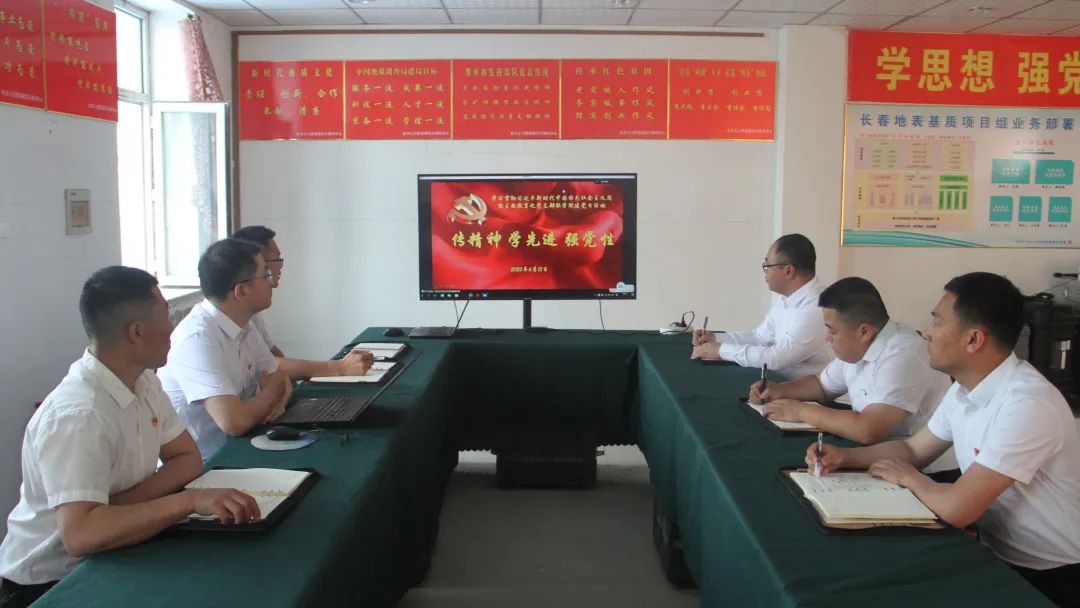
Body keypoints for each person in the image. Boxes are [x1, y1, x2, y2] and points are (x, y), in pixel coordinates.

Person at [806, 273, 1080, 607]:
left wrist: (910, 477)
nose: (926, 332)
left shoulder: (1026, 404)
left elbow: (957, 508)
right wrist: (844, 457)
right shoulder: (964, 390)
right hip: (997, 550)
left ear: (974, 339)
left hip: (1053, 574)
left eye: (937, 322)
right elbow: (912, 449)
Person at [0, 267, 259, 608]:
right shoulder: (79, 414)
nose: (172, 328)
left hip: (115, 547)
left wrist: (117, 509)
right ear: (137, 332)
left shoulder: (143, 380)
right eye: (166, 316)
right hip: (50, 584)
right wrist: (187, 502)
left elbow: (186, 458)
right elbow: (80, 536)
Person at [751, 277, 951, 451]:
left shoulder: (904, 354)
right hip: (881, 453)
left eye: (832, 330)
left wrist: (801, 411)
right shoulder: (857, 347)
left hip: (925, 468)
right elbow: (821, 386)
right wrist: (779, 390)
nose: (827, 337)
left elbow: (868, 429)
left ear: (864, 332)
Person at [158, 238, 294, 460]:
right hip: (207, 464)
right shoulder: (197, 339)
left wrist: (274, 399)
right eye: (265, 276)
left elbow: (280, 377)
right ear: (241, 291)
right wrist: (271, 395)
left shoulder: (243, 324)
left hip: (244, 443)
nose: (272, 283)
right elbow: (235, 422)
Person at [231, 225, 372, 380]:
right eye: (277, 259)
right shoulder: (228, 319)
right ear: (259, 262)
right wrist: (339, 368)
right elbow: (269, 365)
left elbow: (271, 356)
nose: (280, 267)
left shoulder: (252, 312)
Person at [691, 233, 833, 379]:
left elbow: (777, 358)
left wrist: (720, 351)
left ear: (788, 271)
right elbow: (759, 338)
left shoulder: (818, 306)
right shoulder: (786, 297)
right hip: (780, 382)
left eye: (767, 266)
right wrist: (715, 338)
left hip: (809, 389)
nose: (765, 272)